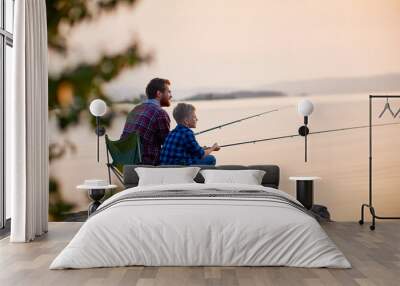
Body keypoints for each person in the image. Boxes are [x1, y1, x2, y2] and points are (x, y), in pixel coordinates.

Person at [120, 78, 172, 165]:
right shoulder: (160, 113)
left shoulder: (135, 109)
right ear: (159, 93)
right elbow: (168, 144)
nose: (170, 95)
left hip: (126, 162)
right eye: (168, 92)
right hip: (146, 164)